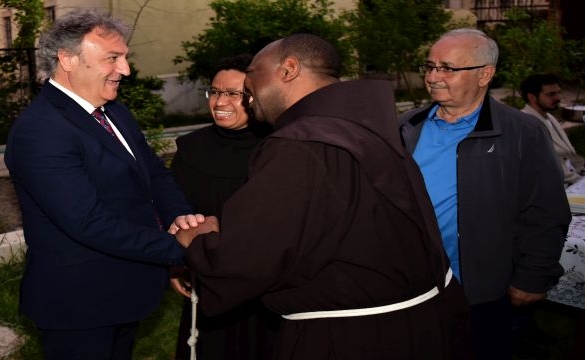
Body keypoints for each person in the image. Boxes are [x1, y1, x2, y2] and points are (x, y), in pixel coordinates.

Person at [175, 33, 471, 359]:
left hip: (351, 339)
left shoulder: (301, 144)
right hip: (418, 323)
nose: (248, 91)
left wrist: (198, 240)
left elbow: (247, 257)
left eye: (253, 76)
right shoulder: (363, 124)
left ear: (288, 69)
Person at [4, 10, 203, 359]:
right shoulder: (41, 131)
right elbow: (87, 222)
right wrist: (185, 249)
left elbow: (153, 173)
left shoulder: (114, 111)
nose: (125, 69)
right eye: (112, 58)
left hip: (124, 292)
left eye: (125, 57)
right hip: (80, 306)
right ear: (67, 60)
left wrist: (180, 217)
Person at [399, 28, 571, 359]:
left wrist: (533, 276)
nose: (433, 76)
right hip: (411, 286)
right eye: (430, 66)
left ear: (485, 74)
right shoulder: (407, 125)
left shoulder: (522, 132)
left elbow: (545, 210)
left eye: (447, 68)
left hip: (481, 291)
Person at [170, 54, 277, 360]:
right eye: (215, 91)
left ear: (255, 96)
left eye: (233, 93)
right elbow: (175, 212)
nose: (220, 101)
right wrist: (176, 260)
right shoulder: (191, 148)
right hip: (206, 280)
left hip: (261, 285)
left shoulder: (275, 148)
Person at [520, 73, 585, 185]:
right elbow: (541, 167)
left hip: (574, 179)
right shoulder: (524, 124)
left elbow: (567, 155)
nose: (558, 97)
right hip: (554, 188)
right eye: (551, 94)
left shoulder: (549, 116)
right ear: (532, 97)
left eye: (558, 92)